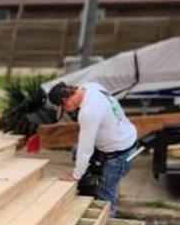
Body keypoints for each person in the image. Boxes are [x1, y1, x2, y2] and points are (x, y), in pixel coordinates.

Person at [48, 81, 137, 216]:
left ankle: (107, 220)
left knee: (105, 194)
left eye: (64, 108)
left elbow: (86, 149)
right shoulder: (91, 86)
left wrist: (75, 175)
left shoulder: (88, 112)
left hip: (119, 154)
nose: (67, 111)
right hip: (125, 137)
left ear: (65, 100)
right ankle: (87, 182)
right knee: (77, 151)